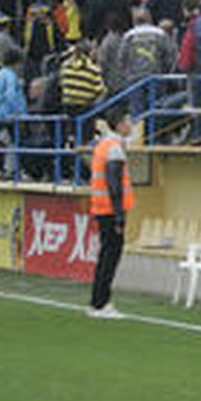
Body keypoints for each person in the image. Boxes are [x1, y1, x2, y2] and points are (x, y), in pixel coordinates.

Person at [87, 108, 135, 318]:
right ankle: (101, 302)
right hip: (109, 208)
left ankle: (97, 300)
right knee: (110, 257)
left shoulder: (103, 145)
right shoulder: (114, 148)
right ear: (119, 124)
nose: (130, 125)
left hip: (101, 206)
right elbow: (114, 183)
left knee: (106, 255)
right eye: (127, 121)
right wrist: (119, 214)